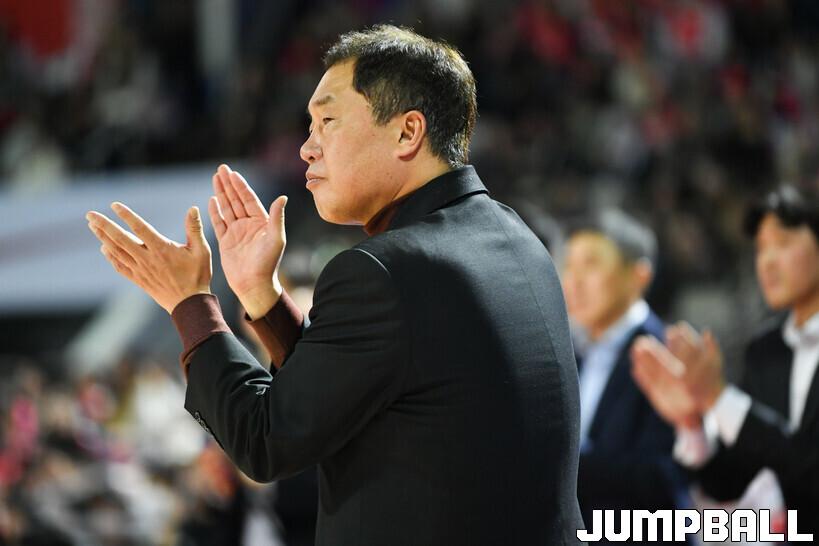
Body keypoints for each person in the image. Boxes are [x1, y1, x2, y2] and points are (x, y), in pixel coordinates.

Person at [86, 25, 586, 545]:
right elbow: (360, 379)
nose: (306, 148)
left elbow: (265, 441)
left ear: (407, 132)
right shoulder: (517, 237)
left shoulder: (385, 271)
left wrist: (190, 302)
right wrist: (262, 296)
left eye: (327, 121)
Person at [631, 185, 819, 535]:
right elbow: (730, 483)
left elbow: (808, 467)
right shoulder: (766, 349)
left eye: (783, 243)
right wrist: (691, 424)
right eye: (761, 248)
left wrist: (718, 397)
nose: (767, 262)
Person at [562, 210, 687, 542]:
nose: (574, 281)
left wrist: (561, 460)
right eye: (569, 266)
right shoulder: (568, 351)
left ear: (638, 275)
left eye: (591, 264)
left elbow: (664, 475)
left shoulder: (667, 355)